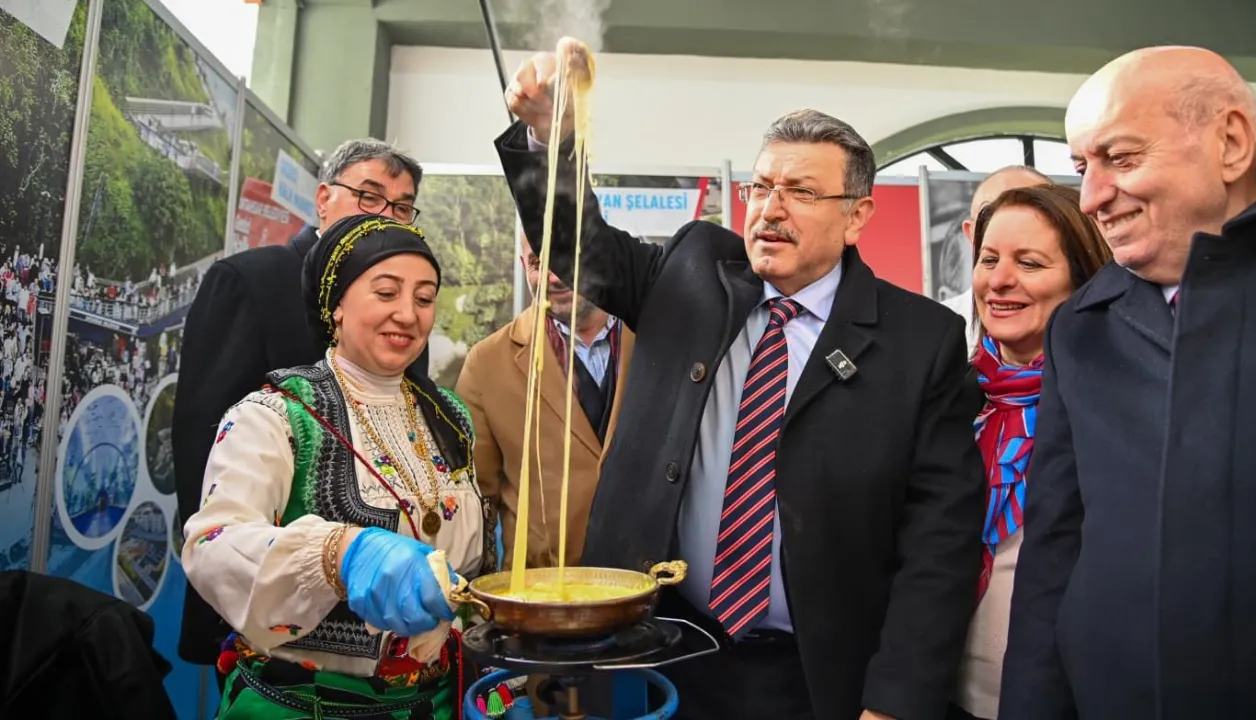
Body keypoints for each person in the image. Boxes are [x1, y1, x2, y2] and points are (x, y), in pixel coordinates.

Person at [498, 42, 986, 720]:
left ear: (858, 217)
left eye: (801, 192)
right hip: (662, 650)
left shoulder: (919, 343)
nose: (769, 208)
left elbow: (939, 544)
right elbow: (581, 248)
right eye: (761, 187)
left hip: (819, 679)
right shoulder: (695, 274)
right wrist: (553, 141)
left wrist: (895, 701)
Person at [1000, 46, 1256, 718]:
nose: (1092, 197)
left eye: (1121, 159)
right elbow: (1055, 552)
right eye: (1081, 169)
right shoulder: (1081, 328)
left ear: (1233, 144)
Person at [182, 214, 495, 719]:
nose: (408, 314)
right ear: (338, 305)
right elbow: (211, 545)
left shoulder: (449, 416)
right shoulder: (277, 413)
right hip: (305, 704)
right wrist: (339, 553)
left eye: (424, 297)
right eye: (386, 292)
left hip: (434, 702)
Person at [172, 139, 427, 667]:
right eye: (370, 196)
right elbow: (201, 442)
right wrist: (232, 579)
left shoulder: (407, 309)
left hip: (386, 626)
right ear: (323, 198)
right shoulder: (248, 281)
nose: (386, 215)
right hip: (267, 607)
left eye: (402, 206)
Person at [949, 185, 1111, 720]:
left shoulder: (1113, 411)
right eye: (989, 259)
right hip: (938, 695)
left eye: (1030, 263)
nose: (999, 280)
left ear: (1082, 278)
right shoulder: (946, 396)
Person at [456, 234, 633, 570]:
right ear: (524, 266)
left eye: (567, 255)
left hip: (652, 592)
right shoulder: (487, 364)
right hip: (539, 601)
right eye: (538, 262)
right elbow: (476, 501)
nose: (554, 276)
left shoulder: (659, 343)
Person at [940, 166, 1052, 355]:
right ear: (970, 233)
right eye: (989, 215)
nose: (999, 280)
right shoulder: (936, 330)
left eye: (1029, 212)